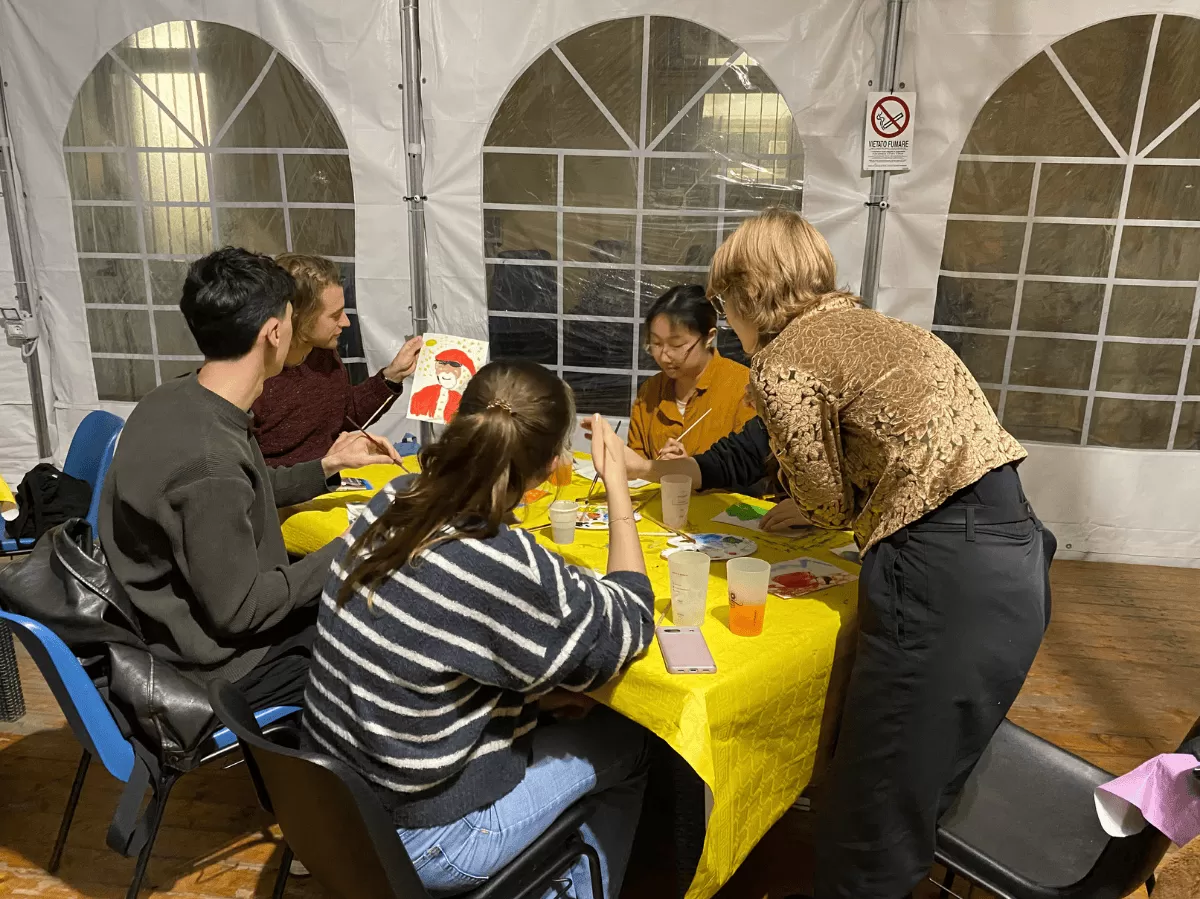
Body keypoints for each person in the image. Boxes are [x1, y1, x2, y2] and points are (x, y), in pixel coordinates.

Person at [707, 208, 1056, 899]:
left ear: (747, 295)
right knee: (915, 786)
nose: (726, 326)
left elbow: (829, 504)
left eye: (724, 307)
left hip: (942, 572)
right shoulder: (884, 328)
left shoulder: (780, 361)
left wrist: (807, 502)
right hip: (1016, 551)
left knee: (870, 815)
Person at [304, 360, 654, 899]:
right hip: (426, 839)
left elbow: (434, 645)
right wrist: (618, 491)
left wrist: (537, 698)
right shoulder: (501, 561)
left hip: (334, 811)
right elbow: (628, 621)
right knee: (634, 738)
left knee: (563, 706)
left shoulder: (393, 497)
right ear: (546, 472)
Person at [99, 247, 400, 709]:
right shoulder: (209, 463)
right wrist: (353, 550)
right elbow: (241, 612)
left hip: (171, 633)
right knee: (394, 633)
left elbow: (244, 494)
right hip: (218, 668)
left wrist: (326, 468)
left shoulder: (172, 398)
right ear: (275, 332)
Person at [252, 253, 424, 466]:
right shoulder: (254, 376)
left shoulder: (323, 355)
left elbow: (343, 413)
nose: (346, 323)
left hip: (329, 483)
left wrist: (392, 376)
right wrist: (325, 465)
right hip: (287, 494)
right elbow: (249, 474)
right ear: (297, 316)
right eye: (335, 315)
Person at [627, 285, 755, 461]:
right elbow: (636, 462)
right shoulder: (650, 392)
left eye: (676, 345)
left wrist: (695, 471)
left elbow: (753, 469)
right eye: (656, 344)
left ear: (709, 337)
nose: (664, 356)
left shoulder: (744, 388)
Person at [408, 348, 476, 422]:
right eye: (442, 364)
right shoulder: (423, 394)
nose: (447, 371)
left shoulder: (459, 400)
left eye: (454, 365)